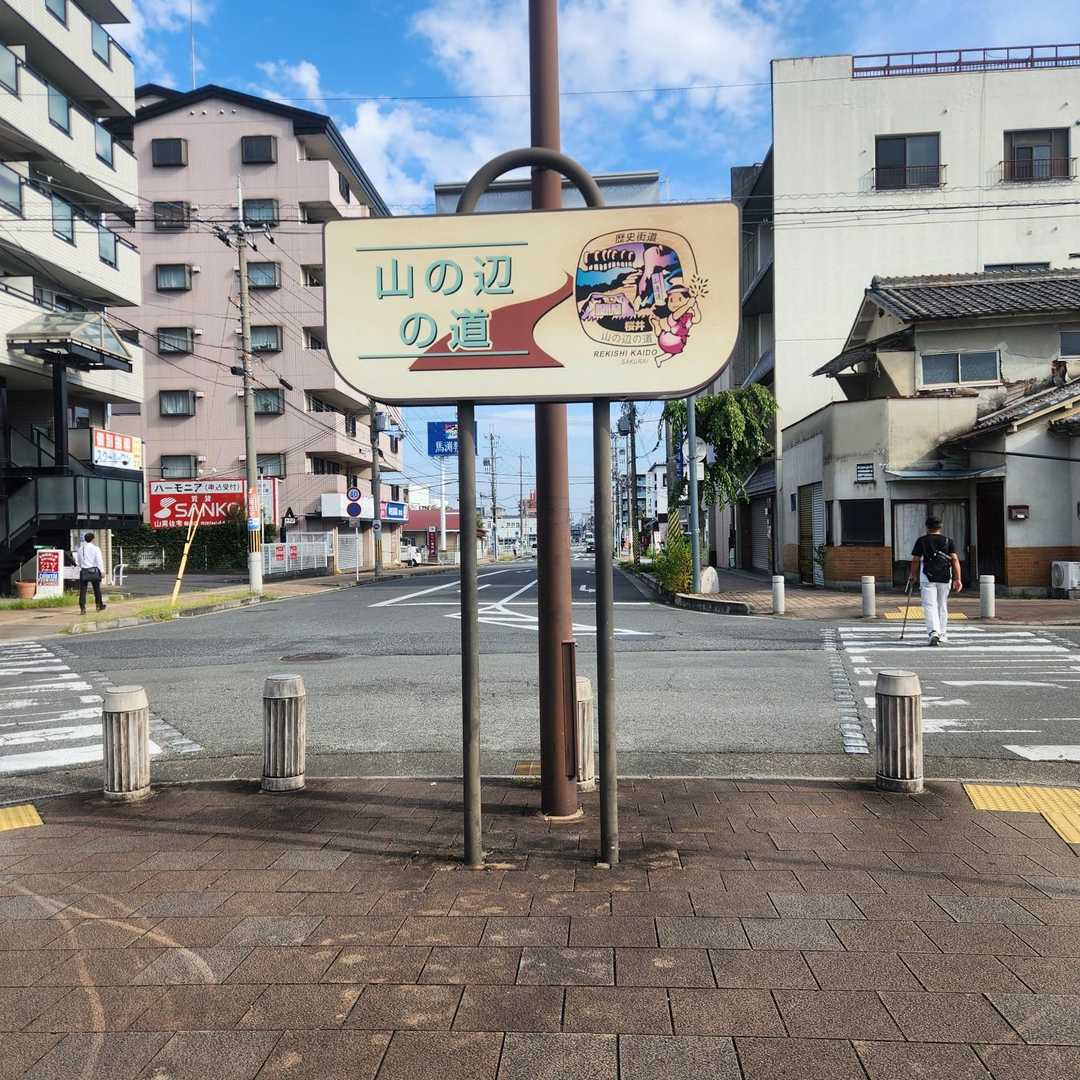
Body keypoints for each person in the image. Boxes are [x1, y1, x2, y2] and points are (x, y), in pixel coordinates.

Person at [908, 516, 962, 646]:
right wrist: (958, 578)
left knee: (929, 605)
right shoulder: (948, 541)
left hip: (927, 577)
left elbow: (916, 560)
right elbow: (955, 560)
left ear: (927, 527)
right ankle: (942, 633)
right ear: (940, 527)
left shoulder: (922, 540)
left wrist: (912, 575)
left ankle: (933, 632)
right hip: (945, 576)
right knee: (942, 605)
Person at [75, 531, 107, 615]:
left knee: (83, 590)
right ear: (93, 539)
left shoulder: (80, 549)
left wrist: (82, 566)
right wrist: (102, 571)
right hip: (94, 571)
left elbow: (78, 561)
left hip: (84, 571)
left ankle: (82, 608)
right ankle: (99, 606)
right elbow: (99, 560)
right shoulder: (96, 548)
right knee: (96, 589)